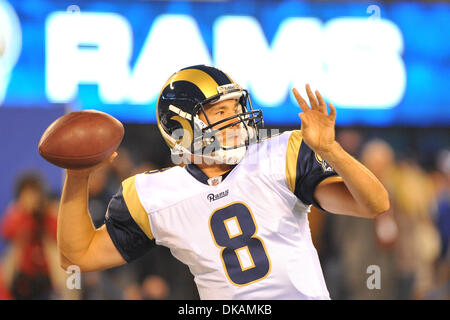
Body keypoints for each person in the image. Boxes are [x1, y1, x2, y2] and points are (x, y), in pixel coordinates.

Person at [57, 65, 389, 300]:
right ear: (180, 128)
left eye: (236, 107)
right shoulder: (153, 195)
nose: (235, 120)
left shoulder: (280, 157)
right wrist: (77, 176)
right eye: (219, 112)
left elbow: (374, 204)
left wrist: (332, 150)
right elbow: (78, 256)